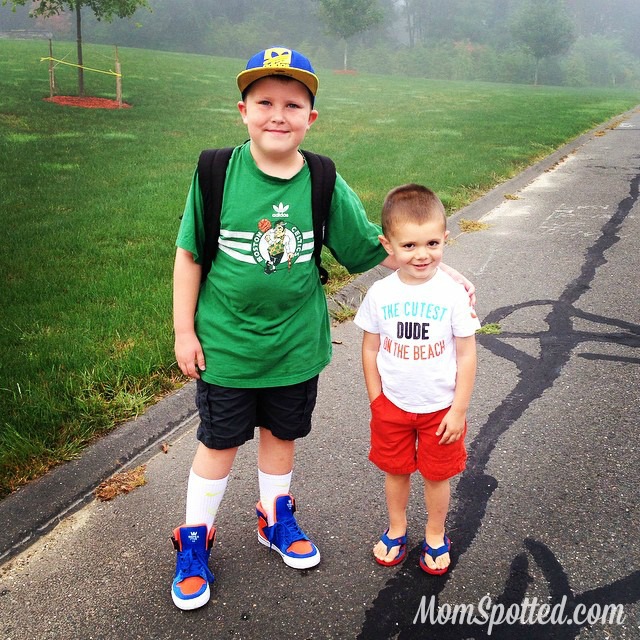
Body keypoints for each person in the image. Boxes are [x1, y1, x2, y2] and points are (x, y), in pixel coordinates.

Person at [171, 47, 475, 610]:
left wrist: (437, 266)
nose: (277, 114)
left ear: (311, 118)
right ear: (243, 110)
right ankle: (195, 538)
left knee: (281, 437)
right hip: (226, 346)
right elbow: (189, 256)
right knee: (218, 443)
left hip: (295, 345)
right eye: (264, 102)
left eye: (293, 104)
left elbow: (370, 247)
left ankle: (274, 517)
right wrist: (183, 333)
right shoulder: (215, 171)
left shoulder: (322, 180)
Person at [353, 184, 480, 575]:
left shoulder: (452, 294)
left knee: (437, 475)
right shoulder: (379, 293)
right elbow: (371, 348)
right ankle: (396, 529)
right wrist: (377, 399)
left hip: (440, 409)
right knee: (396, 470)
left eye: (431, 243)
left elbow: (466, 353)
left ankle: (436, 534)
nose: (422, 254)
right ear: (387, 245)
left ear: (445, 237)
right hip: (392, 405)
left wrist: (458, 409)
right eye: (408, 246)